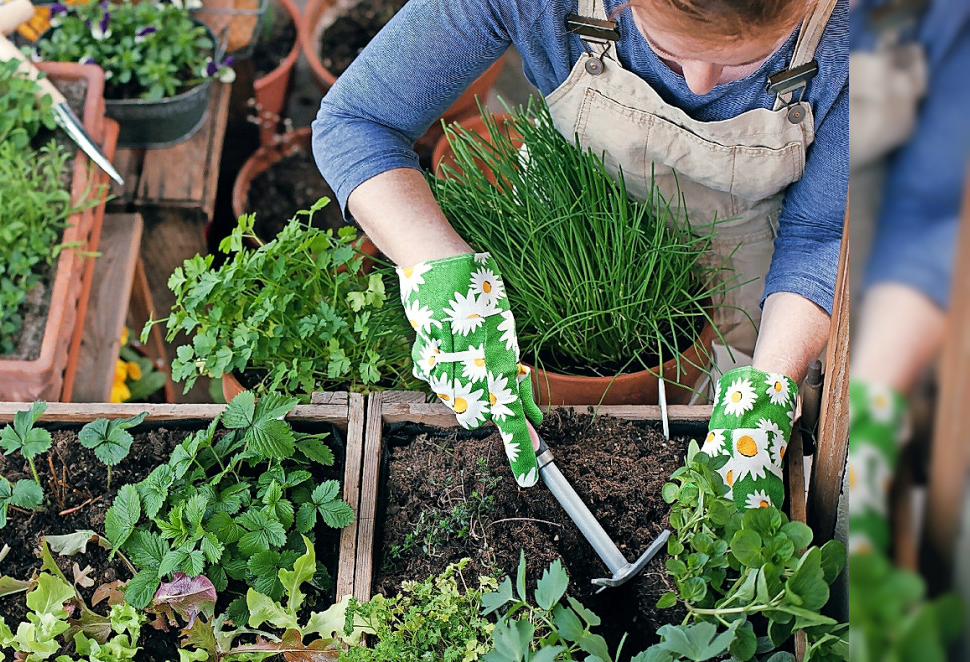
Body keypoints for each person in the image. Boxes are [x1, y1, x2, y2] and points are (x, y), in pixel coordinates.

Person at [313, 0, 848, 509]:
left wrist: (770, 381)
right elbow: (358, 120)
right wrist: (438, 266)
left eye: (749, 62)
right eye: (664, 50)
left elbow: (822, 229)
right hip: (569, 232)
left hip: (754, 263)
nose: (697, 82)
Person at [846, 0, 970, 557]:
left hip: (880, 306)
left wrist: (871, 406)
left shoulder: (944, 20)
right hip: (709, 313)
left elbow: (930, 215)